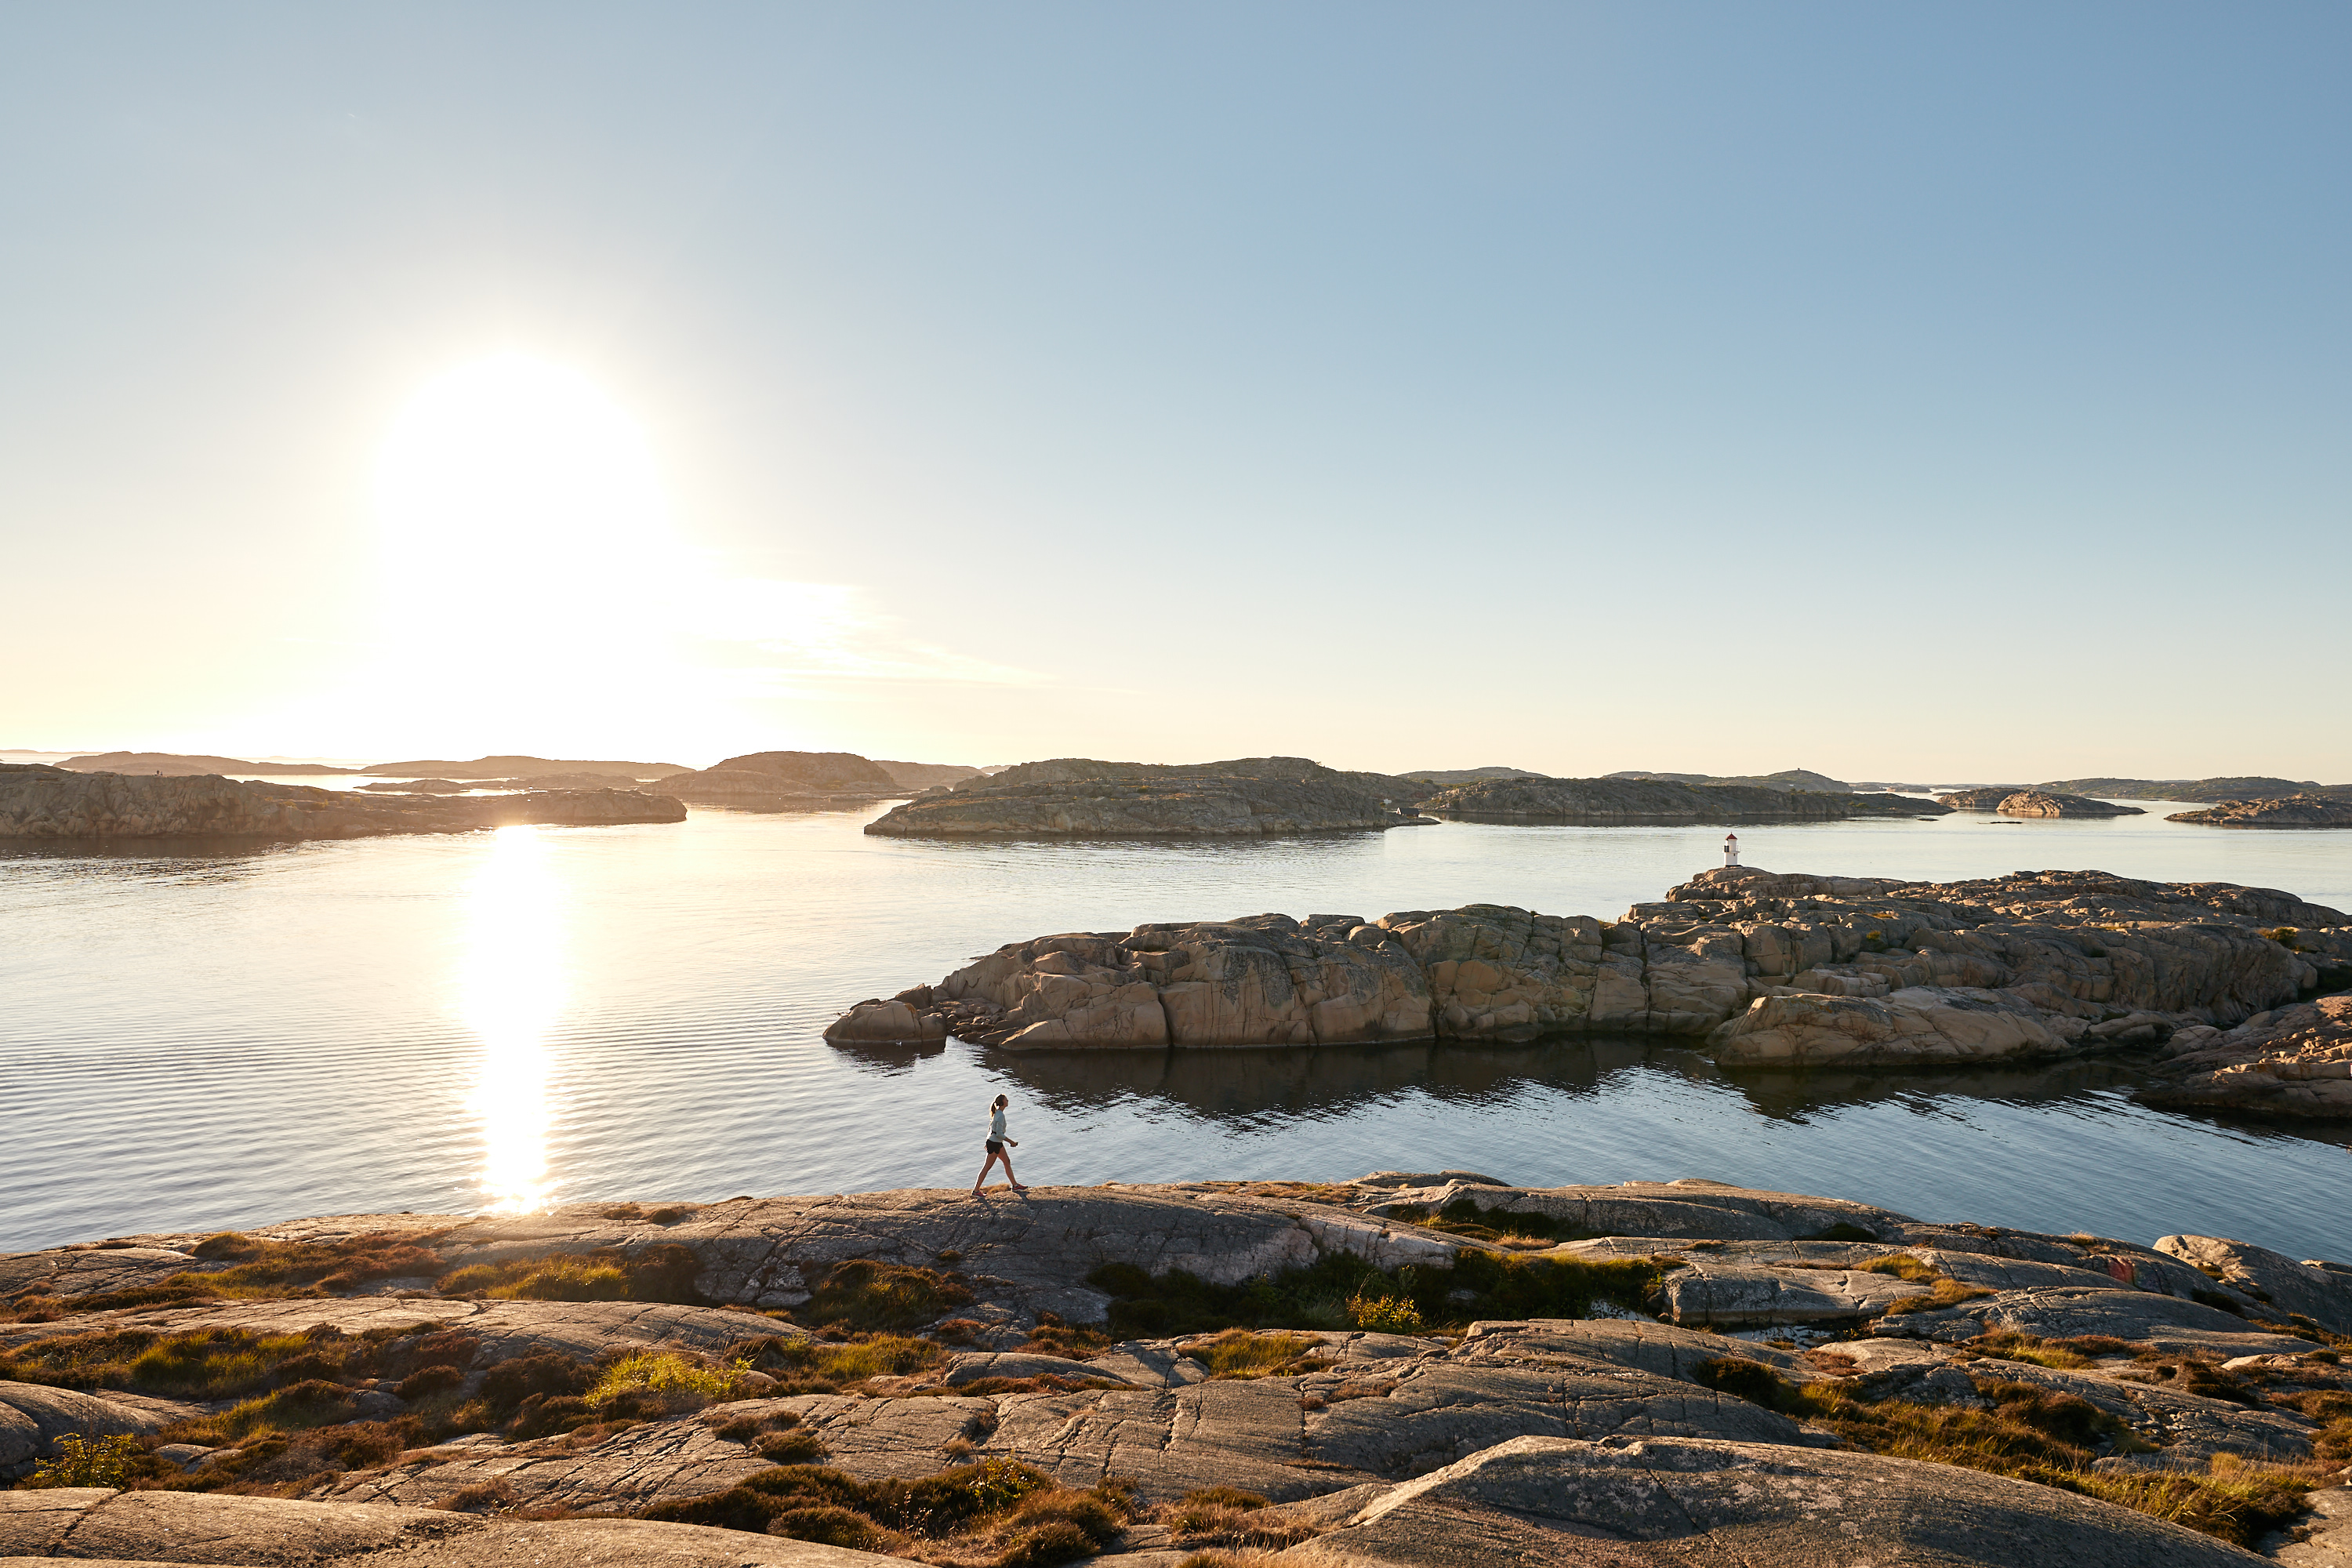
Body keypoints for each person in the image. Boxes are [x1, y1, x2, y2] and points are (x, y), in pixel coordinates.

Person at [972, 1093, 1028, 1195]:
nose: (1008, 1101)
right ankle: (976, 1190)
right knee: (987, 1167)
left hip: (995, 1143)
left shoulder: (998, 1113)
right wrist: (1012, 1142)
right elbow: (999, 1134)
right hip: (995, 1143)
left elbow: (991, 1128)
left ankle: (1015, 1186)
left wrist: (988, 1140)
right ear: (1002, 1103)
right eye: (1006, 1100)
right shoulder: (1000, 1115)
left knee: (1007, 1161)